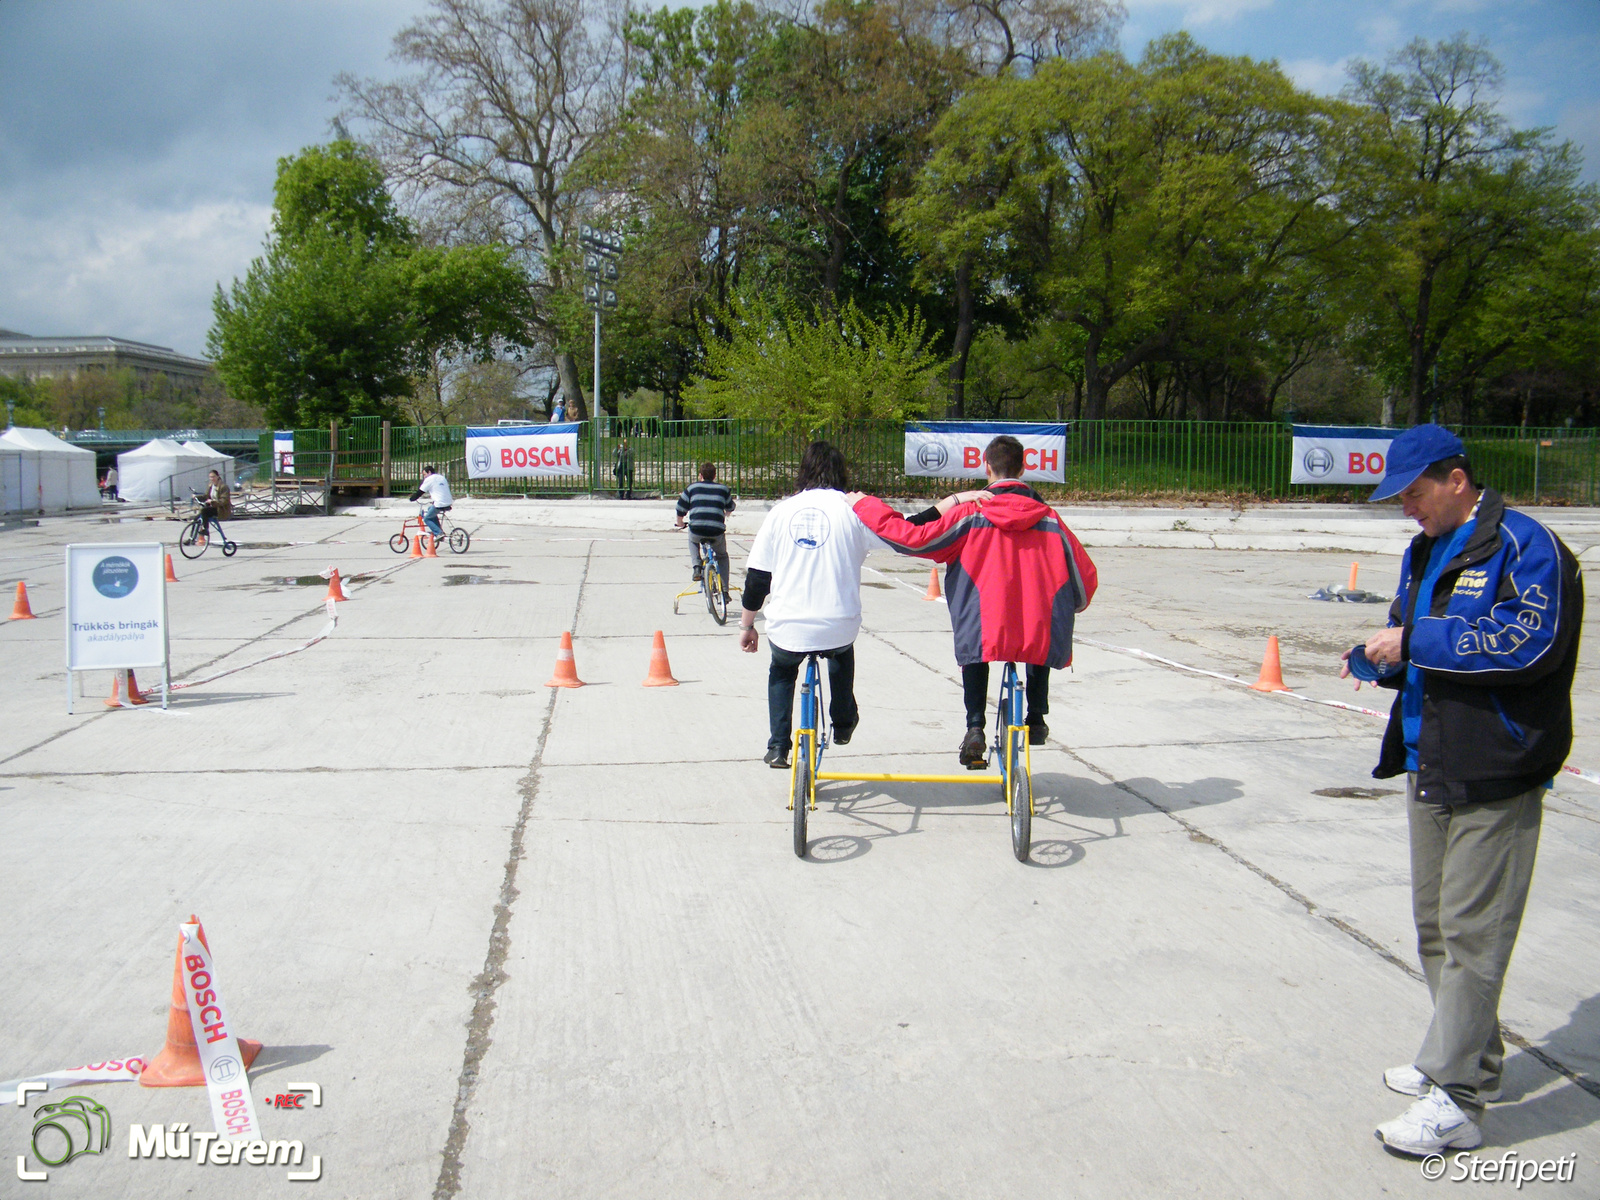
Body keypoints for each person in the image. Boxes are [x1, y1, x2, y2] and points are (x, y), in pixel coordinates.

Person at [1338, 424, 1583, 1158]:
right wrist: (1381, 657)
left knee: (1475, 936)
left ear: (1455, 479)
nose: (1406, 508)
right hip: (1431, 759)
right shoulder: (1424, 549)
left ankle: (1459, 1100)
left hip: (1495, 766)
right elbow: (1409, 633)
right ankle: (1464, 1059)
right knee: (1437, 927)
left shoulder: (1524, 544)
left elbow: (1527, 642)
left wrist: (1415, 642)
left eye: (1413, 493)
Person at [847, 434, 1096, 766]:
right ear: (1023, 469)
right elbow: (1084, 576)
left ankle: (975, 726)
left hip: (985, 619)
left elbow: (913, 538)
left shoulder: (969, 515)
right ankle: (1036, 717)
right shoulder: (1050, 519)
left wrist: (864, 504)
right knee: (1040, 630)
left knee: (978, 644)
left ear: (986, 467)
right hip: (1036, 621)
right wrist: (1071, 606)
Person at [740, 441, 882, 768]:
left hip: (788, 627)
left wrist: (747, 626)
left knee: (782, 670)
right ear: (841, 472)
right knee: (841, 652)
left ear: (802, 470)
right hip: (839, 623)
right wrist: (952, 502)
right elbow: (904, 534)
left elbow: (757, 580)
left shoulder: (780, 512)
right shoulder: (854, 511)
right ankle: (844, 721)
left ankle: (778, 746)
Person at [675, 462, 736, 600]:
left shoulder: (692, 488)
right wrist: (726, 513)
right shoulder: (723, 489)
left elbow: (680, 508)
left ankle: (697, 566)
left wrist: (680, 523)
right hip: (716, 531)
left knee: (692, 540)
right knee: (722, 556)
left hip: (697, 529)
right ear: (715, 476)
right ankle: (725, 591)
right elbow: (731, 506)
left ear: (700, 475)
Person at [409, 464, 454, 545]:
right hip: (448, 502)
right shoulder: (441, 477)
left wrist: (412, 498)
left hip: (440, 504)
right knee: (430, 509)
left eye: (424, 474)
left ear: (429, 472)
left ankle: (439, 533)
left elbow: (420, 492)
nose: (424, 477)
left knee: (426, 519)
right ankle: (439, 531)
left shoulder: (429, 479)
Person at [200, 469, 231, 541]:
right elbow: (206, 496)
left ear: (218, 476)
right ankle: (191, 538)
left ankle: (206, 530)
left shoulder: (223, 487)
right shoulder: (211, 485)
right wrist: (197, 497)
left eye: (213, 477)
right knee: (197, 518)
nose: (212, 479)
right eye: (210, 477)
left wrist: (212, 502)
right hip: (212, 507)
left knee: (204, 511)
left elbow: (224, 501)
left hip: (220, 509)